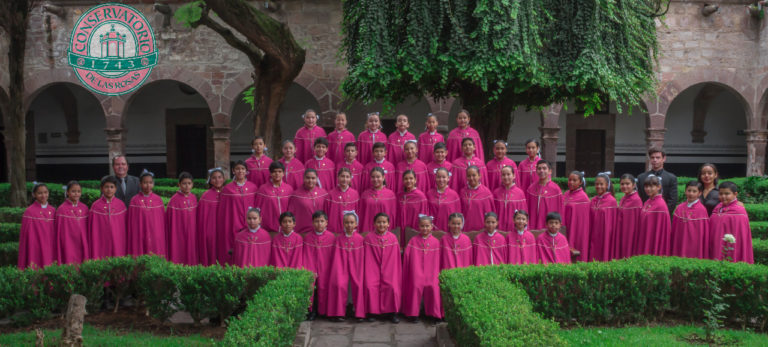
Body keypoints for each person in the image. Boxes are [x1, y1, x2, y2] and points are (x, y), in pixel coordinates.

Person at [402, 215, 442, 323]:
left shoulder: (436, 242)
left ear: (431, 227)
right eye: (422, 226)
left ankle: (433, 314)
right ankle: (413, 314)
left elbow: (438, 259)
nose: (425, 228)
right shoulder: (413, 241)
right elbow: (407, 256)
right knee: (415, 285)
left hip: (432, 272)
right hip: (416, 270)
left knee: (433, 287)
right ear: (418, 227)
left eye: (427, 226)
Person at [326, 212, 366, 322]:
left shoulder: (360, 239)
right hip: (340, 265)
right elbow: (336, 257)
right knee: (339, 284)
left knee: (358, 284)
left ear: (356, 224)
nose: (349, 225)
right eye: (347, 222)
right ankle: (339, 312)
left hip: (357, 265)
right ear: (343, 223)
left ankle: (359, 313)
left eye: (352, 222)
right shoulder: (338, 239)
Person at [363, 212, 402, 323]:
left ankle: (392, 313)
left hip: (390, 269)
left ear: (388, 224)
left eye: (384, 222)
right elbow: (367, 257)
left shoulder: (393, 238)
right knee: (370, 286)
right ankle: (372, 312)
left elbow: (395, 259)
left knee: (392, 286)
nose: (381, 225)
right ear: (374, 224)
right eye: (379, 222)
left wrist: (388, 271)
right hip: (372, 268)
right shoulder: (369, 238)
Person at [217, 161, 257, 265]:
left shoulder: (253, 187)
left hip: (250, 223)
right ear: (233, 171)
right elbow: (223, 211)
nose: (240, 171)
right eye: (238, 169)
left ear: (246, 171)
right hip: (232, 224)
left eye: (243, 169)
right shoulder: (227, 189)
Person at [303, 211, 336, 320]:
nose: (319, 224)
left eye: (322, 221)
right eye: (316, 221)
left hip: (326, 266)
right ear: (312, 223)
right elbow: (306, 254)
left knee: (324, 287)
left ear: (326, 222)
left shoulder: (331, 237)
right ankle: (311, 311)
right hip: (311, 265)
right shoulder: (308, 237)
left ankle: (324, 311)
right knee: (311, 287)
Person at [709, 182, 753, 263]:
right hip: (716, 243)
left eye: (727, 194)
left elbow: (741, 235)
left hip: (732, 246)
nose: (723, 196)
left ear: (735, 194)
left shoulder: (739, 210)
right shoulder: (717, 207)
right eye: (721, 193)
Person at [127, 170, 166, 257]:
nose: (148, 185)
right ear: (140, 184)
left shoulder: (158, 200)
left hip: (155, 234)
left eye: (150, 182)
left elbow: (161, 221)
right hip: (140, 233)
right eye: (145, 182)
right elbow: (132, 221)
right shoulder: (134, 200)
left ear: (153, 184)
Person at [89, 176, 128, 259]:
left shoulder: (121, 205)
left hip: (118, 240)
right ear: (102, 189)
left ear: (116, 189)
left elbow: (125, 226)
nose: (109, 190)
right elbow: (92, 228)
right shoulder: (95, 206)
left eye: (111, 187)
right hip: (101, 241)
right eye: (106, 187)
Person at [19, 183, 56, 269]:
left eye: (46, 192)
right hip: (35, 246)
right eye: (40, 193)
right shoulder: (29, 211)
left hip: (50, 245)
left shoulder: (53, 210)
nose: (43, 195)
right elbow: (26, 235)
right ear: (34, 195)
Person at [670, 181, 710, 259]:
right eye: (689, 190)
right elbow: (675, 229)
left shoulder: (702, 210)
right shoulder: (679, 208)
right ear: (685, 191)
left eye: (694, 191)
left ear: (700, 193)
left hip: (694, 243)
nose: (691, 193)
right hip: (680, 241)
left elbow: (702, 233)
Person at [166, 172, 198, 265]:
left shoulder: (193, 198)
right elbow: (170, 221)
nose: (187, 186)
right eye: (184, 183)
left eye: (189, 183)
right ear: (179, 184)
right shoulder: (174, 200)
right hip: (179, 234)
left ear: (192, 184)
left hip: (192, 233)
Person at [635, 175, 671, 256]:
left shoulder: (661, 204)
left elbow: (660, 229)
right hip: (645, 235)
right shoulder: (648, 201)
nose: (648, 189)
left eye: (651, 186)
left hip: (653, 238)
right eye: (646, 186)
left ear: (659, 187)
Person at [55, 181, 89, 264]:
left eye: (78, 191)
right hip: (68, 242)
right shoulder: (62, 209)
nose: (76, 194)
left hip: (82, 241)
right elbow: (59, 231)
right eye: (73, 191)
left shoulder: (85, 208)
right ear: (67, 192)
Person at [637, 148, 678, 215]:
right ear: (650, 159)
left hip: (663, 215)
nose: (655, 160)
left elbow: (672, 200)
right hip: (645, 214)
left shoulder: (671, 178)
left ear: (664, 159)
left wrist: (663, 213)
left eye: (658, 157)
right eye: (652, 158)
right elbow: (639, 198)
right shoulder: (641, 177)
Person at [286, 169, 329, 234]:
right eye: (308, 178)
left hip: (321, 232)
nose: (310, 180)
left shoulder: (324, 193)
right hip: (303, 232)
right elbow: (291, 214)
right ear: (303, 179)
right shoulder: (296, 195)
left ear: (317, 179)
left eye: (313, 178)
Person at [255, 161, 293, 233]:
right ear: (270, 173)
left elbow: (292, 208)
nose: (277, 174)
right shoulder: (263, 189)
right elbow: (258, 208)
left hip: (286, 228)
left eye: (279, 171)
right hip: (268, 228)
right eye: (274, 171)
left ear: (283, 173)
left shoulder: (289, 189)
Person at [198, 167, 225, 266]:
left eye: (219, 177)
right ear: (210, 180)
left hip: (224, 229)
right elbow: (202, 218)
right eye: (214, 178)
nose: (217, 180)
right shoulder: (206, 196)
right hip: (211, 230)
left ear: (223, 178)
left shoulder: (227, 192)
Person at [589, 172, 618, 262]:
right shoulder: (593, 200)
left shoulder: (611, 201)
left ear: (607, 185)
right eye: (597, 184)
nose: (599, 186)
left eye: (601, 184)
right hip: (593, 233)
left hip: (605, 234)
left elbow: (612, 221)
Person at [359, 168, 398, 234]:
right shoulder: (365, 194)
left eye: (378, 177)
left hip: (385, 230)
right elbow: (361, 214)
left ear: (383, 177)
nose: (375, 179)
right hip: (367, 229)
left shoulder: (390, 195)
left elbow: (393, 215)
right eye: (373, 177)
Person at [526, 161, 562, 230]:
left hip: (550, 226)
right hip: (533, 225)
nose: (541, 171)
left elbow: (560, 209)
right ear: (536, 171)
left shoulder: (556, 189)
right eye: (539, 169)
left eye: (544, 168)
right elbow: (527, 208)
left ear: (550, 171)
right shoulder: (531, 188)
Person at [562, 171, 590, 262]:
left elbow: (583, 219)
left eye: (574, 180)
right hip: (565, 227)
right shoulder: (566, 194)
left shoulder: (583, 197)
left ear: (580, 182)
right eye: (570, 180)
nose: (571, 182)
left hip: (576, 229)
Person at [397, 170, 429, 244]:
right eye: (406, 179)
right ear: (402, 180)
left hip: (415, 229)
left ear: (415, 180)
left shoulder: (421, 196)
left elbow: (423, 215)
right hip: (401, 229)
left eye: (411, 178)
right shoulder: (399, 195)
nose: (408, 181)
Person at [614, 174, 642, 259]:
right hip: (622, 231)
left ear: (634, 185)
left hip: (630, 234)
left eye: (627, 184)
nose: (624, 186)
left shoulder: (636, 200)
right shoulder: (624, 198)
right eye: (622, 184)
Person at [426, 168, 462, 232]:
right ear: (435, 178)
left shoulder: (454, 195)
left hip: (448, 230)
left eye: (444, 177)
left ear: (448, 178)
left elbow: (458, 215)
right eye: (438, 177)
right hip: (432, 230)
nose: (441, 180)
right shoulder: (429, 194)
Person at [460, 166, 494, 232]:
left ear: (479, 176)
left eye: (474, 175)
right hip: (465, 229)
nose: (471, 178)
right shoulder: (462, 191)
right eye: (469, 176)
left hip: (481, 230)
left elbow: (489, 215)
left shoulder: (486, 193)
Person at [325, 168, 360, 234]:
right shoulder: (330, 194)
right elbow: (326, 213)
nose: (344, 179)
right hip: (334, 231)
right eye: (342, 176)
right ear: (338, 177)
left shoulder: (355, 194)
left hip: (350, 230)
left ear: (350, 178)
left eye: (347, 177)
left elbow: (357, 213)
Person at [492, 166, 527, 232]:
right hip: (498, 229)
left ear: (514, 176)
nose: (506, 177)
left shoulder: (520, 193)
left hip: (514, 229)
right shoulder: (496, 193)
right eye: (503, 175)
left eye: (508, 174)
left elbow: (523, 214)